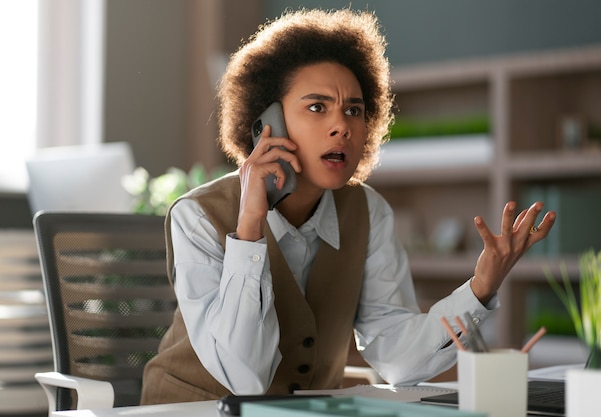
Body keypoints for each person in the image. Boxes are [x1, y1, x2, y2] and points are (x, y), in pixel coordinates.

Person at [140, 8, 556, 404]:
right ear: (267, 123)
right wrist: (250, 227)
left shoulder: (367, 212)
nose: (342, 126)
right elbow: (245, 376)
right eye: (317, 107)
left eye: (354, 110)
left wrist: (481, 287)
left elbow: (397, 357)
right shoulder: (197, 216)